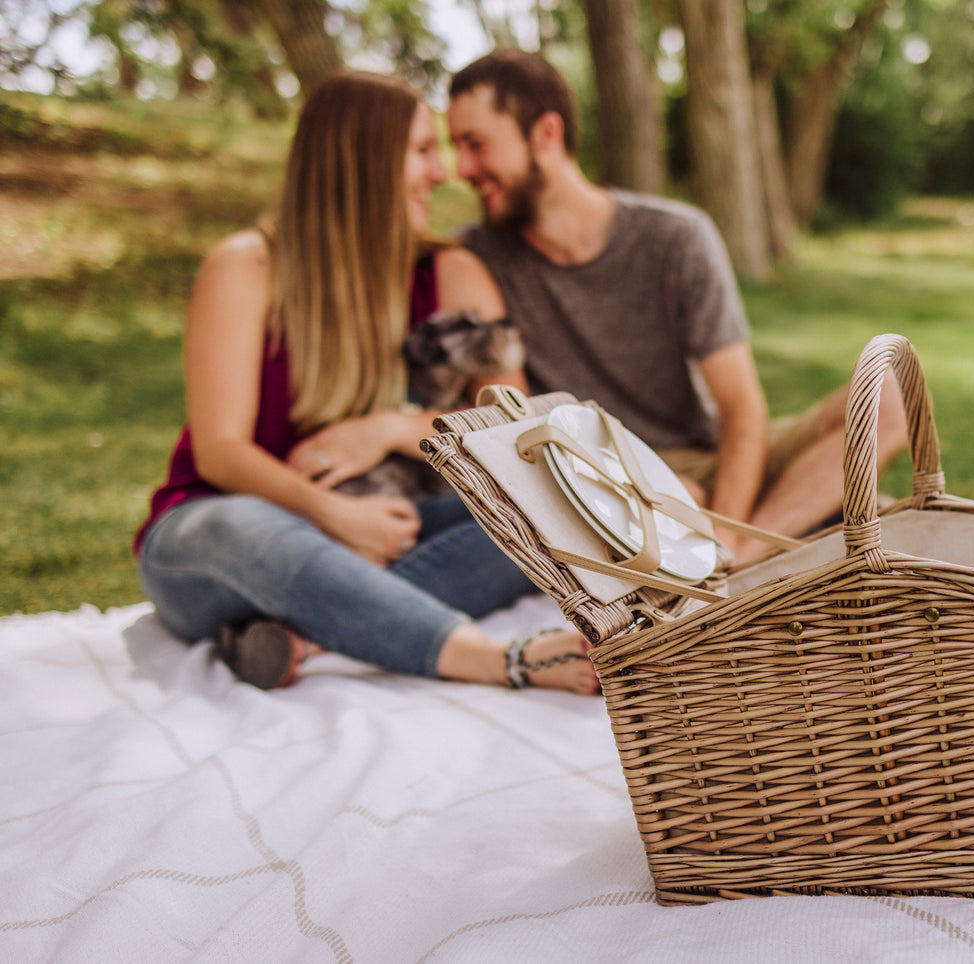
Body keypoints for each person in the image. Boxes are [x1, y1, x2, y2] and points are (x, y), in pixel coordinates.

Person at [134, 71, 596, 694]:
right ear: (361, 159)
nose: (442, 173)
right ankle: (493, 658)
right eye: (422, 151)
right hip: (223, 545)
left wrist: (392, 429)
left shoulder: (448, 273)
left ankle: (310, 634)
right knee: (234, 525)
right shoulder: (248, 266)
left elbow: (518, 439)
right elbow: (219, 452)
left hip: (390, 528)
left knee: (545, 506)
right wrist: (333, 515)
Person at [445, 49, 907, 565]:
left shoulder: (675, 237)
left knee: (888, 399)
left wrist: (727, 530)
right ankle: (756, 534)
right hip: (605, 483)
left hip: (706, 460)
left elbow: (740, 408)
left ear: (546, 134)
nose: (462, 168)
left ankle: (741, 554)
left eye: (476, 144)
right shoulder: (474, 259)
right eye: (454, 147)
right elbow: (510, 429)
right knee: (686, 497)